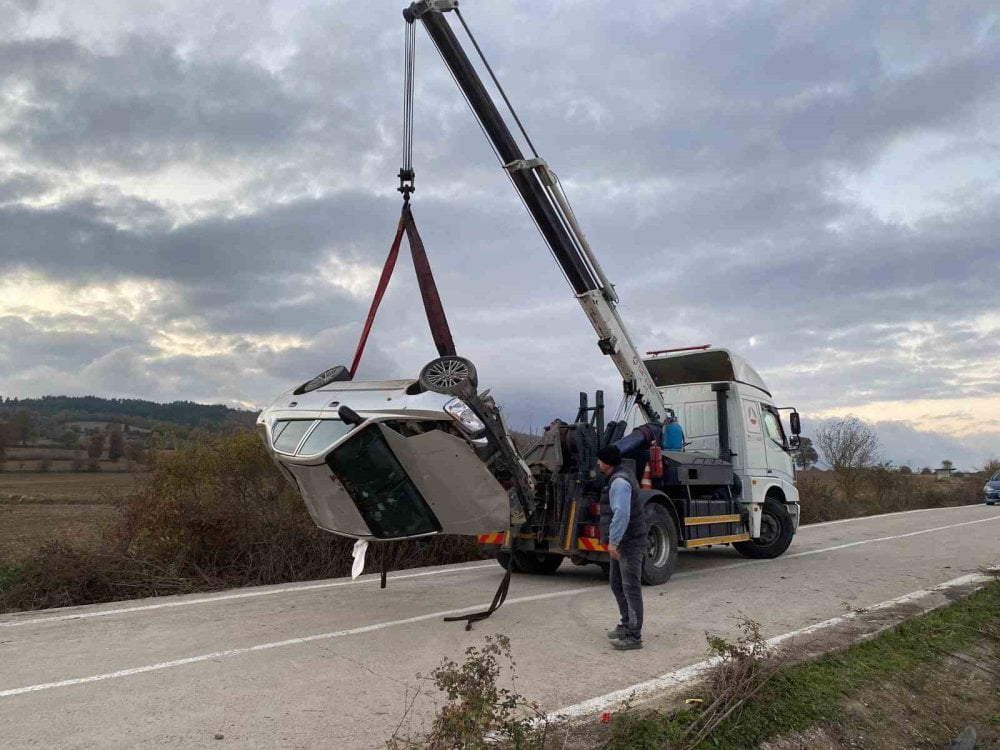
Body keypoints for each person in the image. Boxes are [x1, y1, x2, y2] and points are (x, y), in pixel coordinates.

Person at [597, 445, 648, 651]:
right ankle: (626, 624)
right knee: (617, 584)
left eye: (600, 460)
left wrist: (613, 542)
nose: (597, 463)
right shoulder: (618, 477)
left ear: (607, 463)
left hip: (628, 543)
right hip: (624, 542)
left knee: (630, 588)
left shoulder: (619, 483)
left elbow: (622, 514)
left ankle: (634, 636)